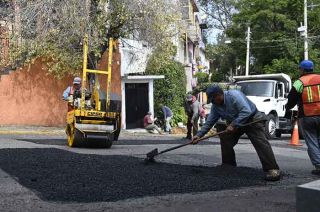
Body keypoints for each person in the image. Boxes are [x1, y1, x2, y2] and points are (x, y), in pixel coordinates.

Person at [192, 85, 281, 181]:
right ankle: (228, 166)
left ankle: (272, 169)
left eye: (213, 99)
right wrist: (198, 135)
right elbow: (209, 122)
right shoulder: (216, 106)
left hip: (252, 118)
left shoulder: (234, 96)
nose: (213, 102)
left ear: (219, 95)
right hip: (236, 121)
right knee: (225, 137)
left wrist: (233, 124)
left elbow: (246, 111)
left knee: (260, 142)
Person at [286, 60, 320, 176]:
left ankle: (319, 166)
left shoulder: (299, 82)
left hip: (308, 116)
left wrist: (288, 108)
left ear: (302, 70)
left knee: (312, 141)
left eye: (299, 69)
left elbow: (291, 99)